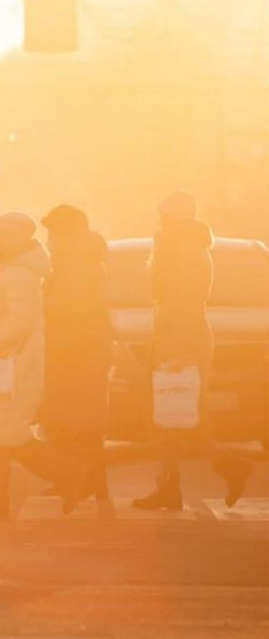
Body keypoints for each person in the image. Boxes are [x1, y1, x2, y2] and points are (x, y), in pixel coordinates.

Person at [0, 212, 85, 522]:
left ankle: (69, 475)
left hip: (13, 368)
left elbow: (19, 322)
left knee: (0, 435)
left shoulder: (19, 277)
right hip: (4, 365)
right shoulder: (11, 274)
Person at [134, 193, 253, 510]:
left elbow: (180, 305)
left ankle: (227, 465)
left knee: (173, 417)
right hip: (178, 337)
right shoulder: (184, 249)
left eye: (163, 217)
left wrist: (175, 352)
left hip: (178, 339)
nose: (159, 222)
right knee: (173, 418)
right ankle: (171, 487)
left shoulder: (179, 253)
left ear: (171, 221)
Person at [39, 205, 112, 502]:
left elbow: (73, 312)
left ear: (67, 233)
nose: (49, 240)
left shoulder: (76, 266)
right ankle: (93, 483)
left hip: (75, 352)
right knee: (84, 421)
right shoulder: (78, 261)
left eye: (53, 233)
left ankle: (79, 481)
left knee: (72, 420)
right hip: (84, 350)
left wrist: (57, 346)